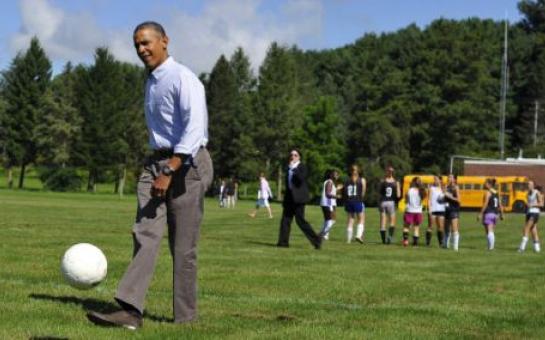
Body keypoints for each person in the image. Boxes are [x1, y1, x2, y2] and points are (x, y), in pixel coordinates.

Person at [87, 21, 213, 329]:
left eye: (146, 43)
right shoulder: (152, 81)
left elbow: (194, 130)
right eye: (137, 46)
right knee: (144, 233)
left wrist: (170, 169)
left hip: (188, 165)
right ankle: (130, 310)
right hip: (156, 163)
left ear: (164, 41)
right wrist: (157, 167)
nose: (142, 50)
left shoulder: (183, 78)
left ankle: (185, 319)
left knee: (182, 247)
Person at [277, 149, 322, 249]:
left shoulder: (302, 167)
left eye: (295, 155)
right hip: (289, 199)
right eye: (291, 155)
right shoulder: (288, 168)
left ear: (299, 157)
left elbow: (301, 179)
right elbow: (288, 185)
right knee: (285, 221)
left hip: (299, 199)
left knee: (300, 221)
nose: (292, 156)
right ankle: (283, 243)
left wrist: (294, 169)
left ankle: (317, 240)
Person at [342, 165, 367, 244]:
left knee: (350, 220)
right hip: (357, 200)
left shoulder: (347, 180)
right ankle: (358, 235)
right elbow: (363, 192)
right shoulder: (362, 180)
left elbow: (344, 192)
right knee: (361, 219)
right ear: (358, 171)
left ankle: (348, 240)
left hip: (349, 201)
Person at [477, 178, 504, 250]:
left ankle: (491, 248)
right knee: (491, 231)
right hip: (495, 214)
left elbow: (485, 204)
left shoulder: (488, 193)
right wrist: (502, 214)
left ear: (489, 185)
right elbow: (500, 204)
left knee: (489, 231)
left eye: (485, 183)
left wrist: (480, 214)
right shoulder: (497, 193)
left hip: (488, 213)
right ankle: (490, 247)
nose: (484, 184)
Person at [518, 181, 542, 253]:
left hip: (534, 213)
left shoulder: (537, 192)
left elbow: (541, 204)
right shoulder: (528, 193)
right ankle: (537, 249)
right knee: (533, 231)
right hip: (529, 213)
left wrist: (532, 205)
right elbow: (528, 203)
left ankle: (522, 248)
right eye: (527, 184)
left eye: (529, 184)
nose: (528, 186)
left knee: (526, 228)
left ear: (533, 185)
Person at [378, 166, 400, 244]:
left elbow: (380, 194)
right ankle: (390, 238)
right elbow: (398, 195)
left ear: (386, 172)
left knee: (383, 222)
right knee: (392, 222)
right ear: (392, 173)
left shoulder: (382, 181)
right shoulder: (396, 182)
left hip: (383, 202)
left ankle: (383, 240)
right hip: (391, 202)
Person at [402, 177, 426, 246]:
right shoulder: (422, 191)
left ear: (413, 182)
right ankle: (415, 244)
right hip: (418, 211)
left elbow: (406, 201)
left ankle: (406, 241)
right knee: (416, 227)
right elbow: (423, 199)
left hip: (410, 210)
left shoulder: (409, 190)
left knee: (406, 226)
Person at [318, 169, 339, 240]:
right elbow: (328, 194)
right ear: (331, 175)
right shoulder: (329, 182)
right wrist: (337, 196)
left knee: (327, 220)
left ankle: (323, 234)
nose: (337, 176)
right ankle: (323, 234)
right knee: (331, 220)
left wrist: (337, 189)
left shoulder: (329, 182)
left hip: (326, 203)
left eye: (337, 174)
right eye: (335, 174)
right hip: (327, 203)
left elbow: (330, 191)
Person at [426, 176, 446, 246]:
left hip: (441, 209)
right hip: (433, 209)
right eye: (434, 179)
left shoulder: (443, 188)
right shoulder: (431, 188)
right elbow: (429, 199)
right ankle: (428, 242)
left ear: (440, 180)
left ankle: (440, 243)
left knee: (440, 227)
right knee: (431, 226)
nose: (435, 181)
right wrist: (429, 209)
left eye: (436, 179)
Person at [444, 174, 461, 251]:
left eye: (450, 177)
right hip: (447, 209)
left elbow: (458, 200)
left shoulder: (456, 188)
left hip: (454, 209)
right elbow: (444, 197)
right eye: (448, 177)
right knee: (446, 228)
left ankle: (455, 247)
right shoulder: (446, 187)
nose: (448, 178)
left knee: (454, 228)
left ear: (454, 179)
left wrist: (448, 196)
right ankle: (445, 245)